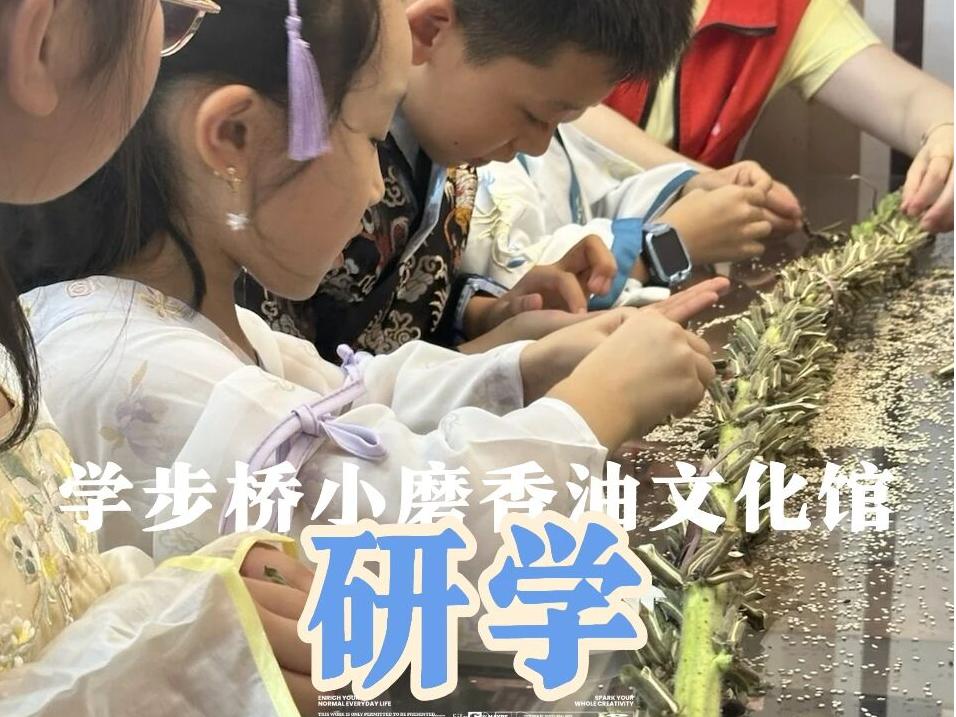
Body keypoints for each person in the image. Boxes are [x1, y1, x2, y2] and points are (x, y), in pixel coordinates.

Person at [4, 0, 723, 653]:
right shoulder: (136, 370)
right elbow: (414, 549)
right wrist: (595, 408)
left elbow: (354, 401)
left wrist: (523, 370)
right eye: (370, 135)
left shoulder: (200, 326)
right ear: (235, 137)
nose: (379, 184)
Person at [0, 1, 360, 713]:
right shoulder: (126, 354)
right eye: (173, 10)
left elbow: (50, 586)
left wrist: (172, 604)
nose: (378, 186)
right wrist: (154, 670)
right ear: (44, 36)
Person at [238, 0, 706, 358]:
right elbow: (294, 402)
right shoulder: (308, 164)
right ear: (431, 30)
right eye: (534, 115)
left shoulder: (452, 153)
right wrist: (493, 363)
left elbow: (404, 308)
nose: (539, 147)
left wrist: (491, 314)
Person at [581, 0, 954, 234]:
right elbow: (568, 111)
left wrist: (945, 133)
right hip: (554, 256)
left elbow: (909, 100)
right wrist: (695, 181)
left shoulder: (785, 8)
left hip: (669, 269)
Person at [463, 123, 777, 310]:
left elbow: (594, 203)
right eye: (535, 115)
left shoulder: (542, 125)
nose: (539, 144)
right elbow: (515, 292)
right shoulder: (471, 157)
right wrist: (661, 245)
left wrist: (689, 190)